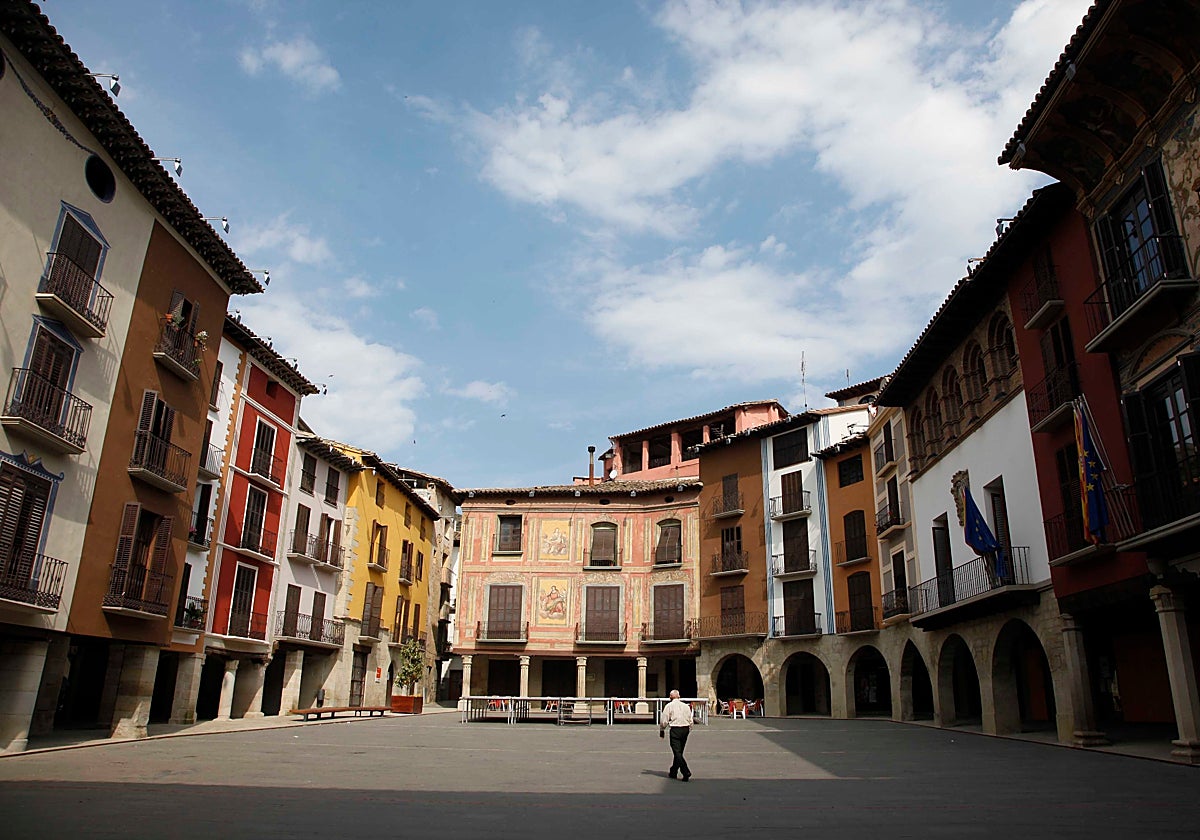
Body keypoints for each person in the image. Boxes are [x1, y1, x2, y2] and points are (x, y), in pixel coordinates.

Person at [658, 689, 692, 781]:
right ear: (679, 696)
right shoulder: (686, 706)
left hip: (675, 729)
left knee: (677, 752)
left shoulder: (669, 706)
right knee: (679, 752)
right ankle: (673, 771)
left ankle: (685, 771)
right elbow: (690, 718)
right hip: (685, 728)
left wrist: (662, 730)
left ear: (670, 697)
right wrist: (689, 728)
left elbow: (664, 720)